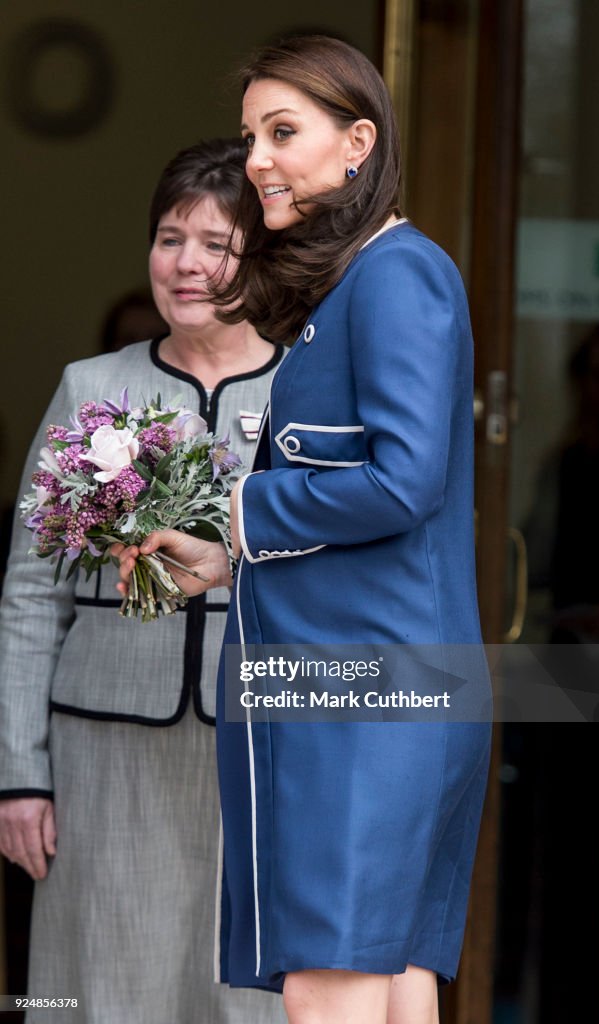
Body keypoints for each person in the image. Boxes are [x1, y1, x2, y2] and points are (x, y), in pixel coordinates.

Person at [117, 37, 491, 1024]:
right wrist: (225, 550)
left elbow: (403, 482)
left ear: (358, 143)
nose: (257, 161)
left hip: (363, 700)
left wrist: (241, 511)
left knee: (327, 995)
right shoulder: (362, 280)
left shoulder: (398, 276)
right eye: (252, 136)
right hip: (367, 688)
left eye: (283, 133)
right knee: (393, 985)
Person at [0, 139, 286, 1024]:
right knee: (103, 985)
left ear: (261, 259)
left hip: (261, 750)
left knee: (244, 991)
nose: (187, 264)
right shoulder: (92, 386)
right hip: (104, 751)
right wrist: (20, 775)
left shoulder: (306, 389)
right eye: (169, 239)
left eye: (217, 244)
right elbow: (30, 594)